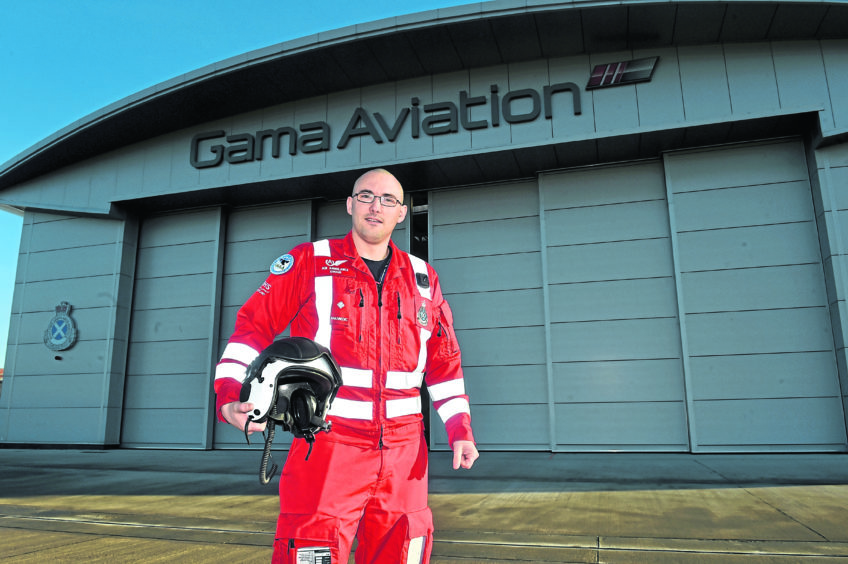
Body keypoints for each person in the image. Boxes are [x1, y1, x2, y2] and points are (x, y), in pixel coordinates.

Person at [214, 168, 479, 563]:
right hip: (326, 447)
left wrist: (460, 429)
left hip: (406, 454)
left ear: (401, 213)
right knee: (311, 546)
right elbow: (252, 327)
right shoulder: (308, 261)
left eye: (388, 199)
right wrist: (231, 396)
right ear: (350, 204)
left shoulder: (423, 278)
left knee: (405, 548)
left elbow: (444, 360)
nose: (376, 206)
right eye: (367, 196)